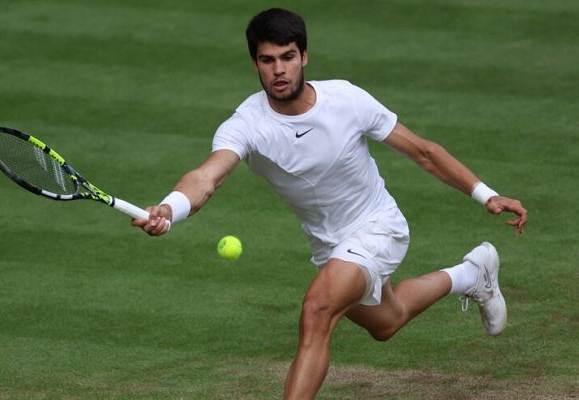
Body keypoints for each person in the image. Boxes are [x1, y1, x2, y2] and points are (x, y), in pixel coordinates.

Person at [131, 8, 527, 399]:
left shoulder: (346, 99)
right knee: (386, 322)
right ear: (255, 64)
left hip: (378, 226)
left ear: (304, 56)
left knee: (317, 309)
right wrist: (170, 207)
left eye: (287, 57)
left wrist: (485, 193)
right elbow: (207, 177)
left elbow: (423, 152)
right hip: (329, 245)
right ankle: (472, 274)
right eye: (267, 60)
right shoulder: (245, 124)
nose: (279, 70)